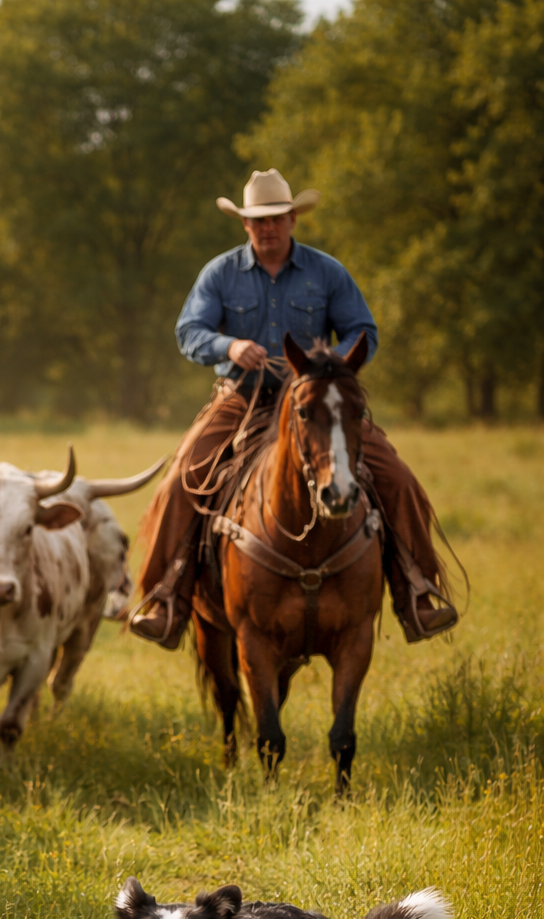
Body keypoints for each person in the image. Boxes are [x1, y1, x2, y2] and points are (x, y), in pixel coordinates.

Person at [130, 169, 458, 649]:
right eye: (258, 221)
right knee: (182, 476)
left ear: (292, 219)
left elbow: (362, 331)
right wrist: (230, 344)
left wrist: (328, 366)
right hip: (243, 399)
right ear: (244, 224)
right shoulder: (220, 273)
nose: (268, 229)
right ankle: (164, 598)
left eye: (277, 219)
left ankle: (417, 592)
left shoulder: (327, 272)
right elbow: (189, 332)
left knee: (398, 478)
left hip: (318, 404)